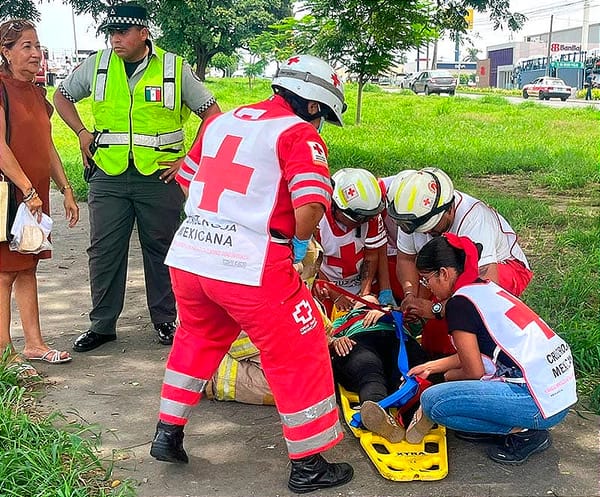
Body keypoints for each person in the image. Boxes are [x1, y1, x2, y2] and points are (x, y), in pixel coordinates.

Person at [149, 54, 353, 493]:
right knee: (300, 350)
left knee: (197, 338)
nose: (320, 126)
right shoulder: (298, 134)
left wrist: (224, 217)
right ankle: (309, 464)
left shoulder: (220, 123)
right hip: (253, 266)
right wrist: (294, 243)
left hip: (191, 257)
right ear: (314, 105)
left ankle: (168, 432)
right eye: (323, 117)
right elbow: (312, 206)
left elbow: (188, 178)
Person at [53, 2, 220, 352]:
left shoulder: (174, 68)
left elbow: (214, 115)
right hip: (108, 175)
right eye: (111, 32)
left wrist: (189, 161)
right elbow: (62, 96)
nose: (115, 39)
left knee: (161, 249)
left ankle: (165, 320)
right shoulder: (97, 65)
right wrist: (82, 133)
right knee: (104, 250)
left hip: (159, 178)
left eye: (122, 32)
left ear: (144, 33)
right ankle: (102, 325)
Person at [404, 234, 576, 465]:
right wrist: (432, 366)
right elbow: (476, 354)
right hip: (559, 394)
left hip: (537, 404)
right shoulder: (485, 289)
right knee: (454, 391)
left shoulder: (458, 305)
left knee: (434, 403)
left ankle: (525, 433)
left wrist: (444, 378)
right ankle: (512, 423)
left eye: (427, 280)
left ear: (444, 273)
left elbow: (473, 370)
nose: (428, 288)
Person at [0, 19, 79, 374]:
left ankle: (34, 344)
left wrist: (66, 189)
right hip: (10, 196)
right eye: (26, 46)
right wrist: (26, 189)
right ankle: (5, 351)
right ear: (6, 52)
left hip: (34, 197)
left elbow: (46, 147)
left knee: (28, 267)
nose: (36, 54)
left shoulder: (37, 94)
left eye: (38, 46)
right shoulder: (1, 89)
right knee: (4, 273)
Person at [386, 167, 533, 357]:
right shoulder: (411, 216)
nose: (425, 233)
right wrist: (410, 295)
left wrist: (436, 308)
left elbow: (486, 288)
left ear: (449, 210)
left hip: (503, 269)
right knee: (433, 342)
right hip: (450, 273)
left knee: (457, 327)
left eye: (430, 228)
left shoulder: (474, 218)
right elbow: (406, 258)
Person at [330, 295, 431, 442]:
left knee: (409, 374)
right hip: (360, 340)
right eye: (362, 299)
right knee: (369, 370)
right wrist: (336, 341)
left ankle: (416, 415)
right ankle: (378, 412)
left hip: (398, 339)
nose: (368, 300)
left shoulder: (393, 312)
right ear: (354, 306)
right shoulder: (346, 318)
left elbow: (418, 323)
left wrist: (393, 312)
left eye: (373, 299)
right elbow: (326, 335)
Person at [313, 168, 393, 315]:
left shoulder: (371, 218)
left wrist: (365, 294)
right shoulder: (318, 220)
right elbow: (313, 262)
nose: (365, 221)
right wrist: (333, 293)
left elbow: (372, 256)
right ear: (337, 207)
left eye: (369, 216)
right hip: (326, 285)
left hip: (360, 283)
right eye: (359, 218)